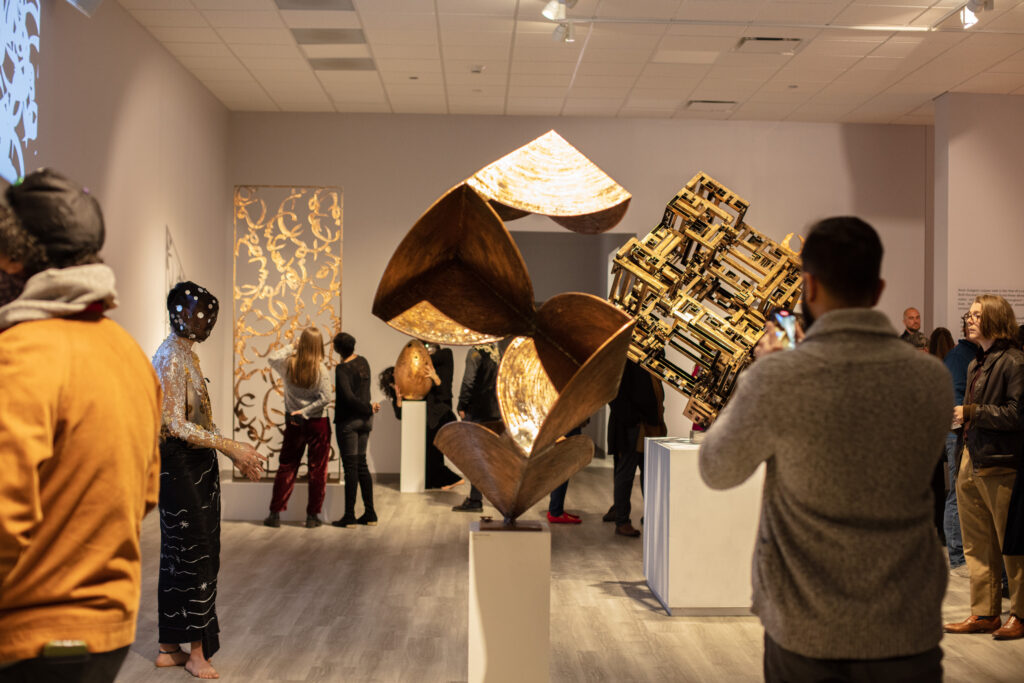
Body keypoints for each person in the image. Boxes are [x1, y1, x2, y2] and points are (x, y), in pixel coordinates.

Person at [699, 217, 951, 682]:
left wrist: (757, 375)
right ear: (878, 290)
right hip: (907, 629)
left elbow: (717, 468)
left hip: (806, 630)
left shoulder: (777, 379)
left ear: (808, 285)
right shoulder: (931, 379)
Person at [0, 170, 161, 682]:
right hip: (107, 631)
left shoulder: (19, 355)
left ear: (12, 260)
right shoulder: (129, 353)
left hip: (26, 638)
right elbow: (146, 493)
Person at [152, 280, 266, 679]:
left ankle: (170, 646)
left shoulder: (184, 356)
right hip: (180, 466)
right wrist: (228, 445)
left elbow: (196, 418)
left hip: (194, 466)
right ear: (179, 314)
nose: (205, 321)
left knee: (183, 552)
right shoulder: (170, 356)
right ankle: (197, 652)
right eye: (199, 313)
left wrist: (231, 451)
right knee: (194, 552)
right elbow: (174, 423)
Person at [944, 294, 1024, 640]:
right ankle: (985, 612)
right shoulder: (976, 363)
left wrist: (972, 413)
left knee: (1012, 544)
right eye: (970, 314)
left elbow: (1017, 414)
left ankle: (1020, 613)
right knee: (977, 543)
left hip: (1001, 464)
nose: (970, 320)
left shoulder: (1015, 362)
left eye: (977, 315)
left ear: (995, 319)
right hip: (971, 458)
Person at [264, 327, 333, 529]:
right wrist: (307, 411)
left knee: (287, 465)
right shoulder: (320, 369)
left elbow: (272, 358)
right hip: (317, 422)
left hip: (293, 422)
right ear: (319, 345)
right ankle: (312, 516)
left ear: (301, 343)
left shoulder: (288, 364)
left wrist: (291, 346)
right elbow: (326, 398)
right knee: (317, 469)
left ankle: (274, 514)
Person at [607, 360, 666, 537]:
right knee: (626, 473)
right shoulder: (628, 358)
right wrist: (632, 419)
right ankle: (622, 520)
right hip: (632, 426)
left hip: (646, 424)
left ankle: (650, 516)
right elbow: (615, 394)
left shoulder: (650, 357)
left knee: (649, 473)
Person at [331, 332, 381, 528]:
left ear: (337, 349)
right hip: (366, 421)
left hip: (349, 422)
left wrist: (368, 407)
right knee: (361, 465)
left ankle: (349, 516)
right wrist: (369, 409)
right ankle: (370, 513)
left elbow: (349, 398)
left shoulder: (342, 369)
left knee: (350, 468)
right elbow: (363, 393)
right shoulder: (363, 362)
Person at [943, 318, 978, 577]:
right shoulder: (958, 356)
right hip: (958, 433)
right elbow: (954, 398)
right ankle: (956, 556)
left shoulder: (976, 355)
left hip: (968, 431)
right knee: (957, 493)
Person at [452, 343, 500, 512]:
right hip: (495, 411)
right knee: (490, 457)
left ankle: (475, 499)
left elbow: (468, 381)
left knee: (474, 457)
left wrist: (461, 405)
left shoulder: (475, 353)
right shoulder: (496, 352)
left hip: (478, 410)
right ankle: (498, 499)